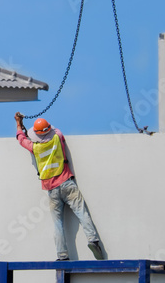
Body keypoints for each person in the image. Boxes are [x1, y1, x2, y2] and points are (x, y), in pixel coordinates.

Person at [14, 112, 104, 261]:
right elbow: (54, 131)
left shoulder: (34, 148)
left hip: (51, 190)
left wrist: (19, 124)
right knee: (82, 213)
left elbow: (21, 139)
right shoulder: (58, 136)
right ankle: (93, 240)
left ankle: (62, 255)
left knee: (58, 224)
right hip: (67, 183)